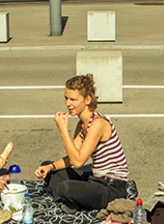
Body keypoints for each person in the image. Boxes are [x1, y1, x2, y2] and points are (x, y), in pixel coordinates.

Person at [35, 74, 130, 211]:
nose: (68, 104)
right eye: (66, 98)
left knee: (65, 188)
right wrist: (50, 167)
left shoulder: (98, 123)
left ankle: (72, 201)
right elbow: (72, 157)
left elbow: (79, 161)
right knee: (48, 168)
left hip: (112, 187)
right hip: (94, 178)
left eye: (73, 99)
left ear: (87, 99)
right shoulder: (82, 124)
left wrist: (63, 131)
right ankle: (73, 201)